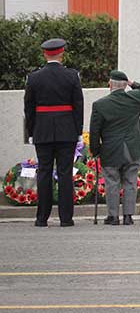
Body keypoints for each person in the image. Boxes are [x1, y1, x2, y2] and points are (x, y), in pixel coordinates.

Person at [24, 38, 84, 227]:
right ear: (62, 53)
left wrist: (31, 131)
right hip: (67, 131)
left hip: (42, 130)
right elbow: (78, 105)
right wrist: (78, 130)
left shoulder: (34, 77)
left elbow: (29, 108)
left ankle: (42, 218)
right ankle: (66, 218)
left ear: (45, 54)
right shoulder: (72, 75)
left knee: (44, 173)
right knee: (65, 174)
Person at [89, 70, 140, 225]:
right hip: (133, 148)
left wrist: (95, 150)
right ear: (125, 85)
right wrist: (132, 83)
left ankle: (113, 216)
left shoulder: (100, 105)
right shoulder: (135, 98)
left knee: (112, 182)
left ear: (109, 84)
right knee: (130, 181)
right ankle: (128, 216)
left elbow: (95, 131)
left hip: (111, 149)